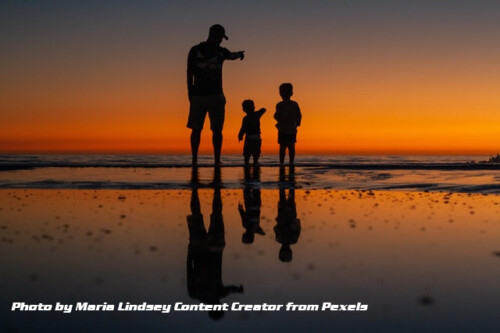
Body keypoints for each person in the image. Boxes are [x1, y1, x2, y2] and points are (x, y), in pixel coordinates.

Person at [187, 24, 245, 166]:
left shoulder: (203, 50)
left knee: (207, 130)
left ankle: (210, 159)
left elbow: (231, 55)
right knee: (205, 130)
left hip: (207, 95)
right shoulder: (201, 51)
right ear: (215, 35)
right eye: (220, 37)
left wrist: (240, 54)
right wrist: (191, 94)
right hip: (207, 96)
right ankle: (203, 159)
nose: (221, 40)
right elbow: (189, 73)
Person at [273, 83, 302, 166]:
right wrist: (297, 123)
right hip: (291, 128)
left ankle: (282, 162)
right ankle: (291, 162)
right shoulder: (294, 104)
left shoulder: (280, 105)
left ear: (280, 94)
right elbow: (299, 115)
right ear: (291, 93)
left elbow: (276, 115)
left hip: (283, 128)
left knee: (283, 147)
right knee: (291, 147)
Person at [238, 100, 266, 165]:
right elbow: (264, 109)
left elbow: (243, 129)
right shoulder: (256, 114)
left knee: (247, 155)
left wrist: (240, 135)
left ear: (244, 109)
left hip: (249, 138)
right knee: (255, 155)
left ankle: (247, 165)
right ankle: (255, 164)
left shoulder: (246, 118)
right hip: (256, 138)